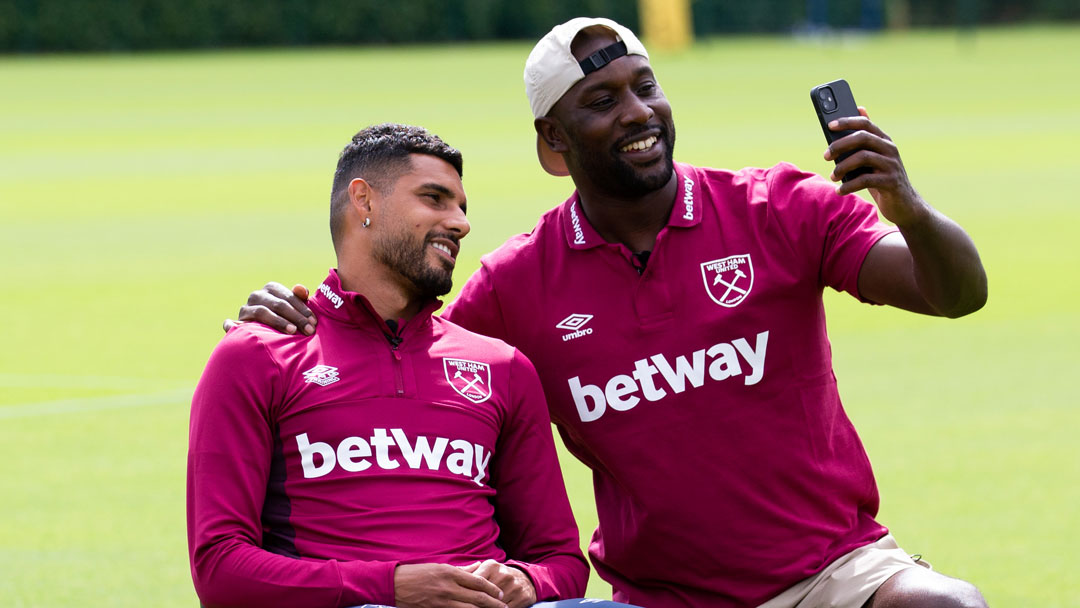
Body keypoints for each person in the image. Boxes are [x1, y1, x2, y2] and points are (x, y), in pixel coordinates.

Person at [230, 18, 990, 608]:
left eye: (645, 86)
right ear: (553, 145)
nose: (638, 113)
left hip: (833, 570)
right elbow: (404, 350)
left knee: (948, 603)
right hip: (657, 598)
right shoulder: (516, 285)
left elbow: (955, 293)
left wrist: (907, 205)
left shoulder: (776, 206)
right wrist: (294, 322)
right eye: (602, 101)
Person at [190, 123, 646, 608]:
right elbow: (221, 569)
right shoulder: (257, 356)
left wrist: (527, 583)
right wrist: (393, 587)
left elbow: (558, 561)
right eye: (435, 198)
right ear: (363, 201)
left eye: (462, 208)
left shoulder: (503, 368)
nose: (461, 223)